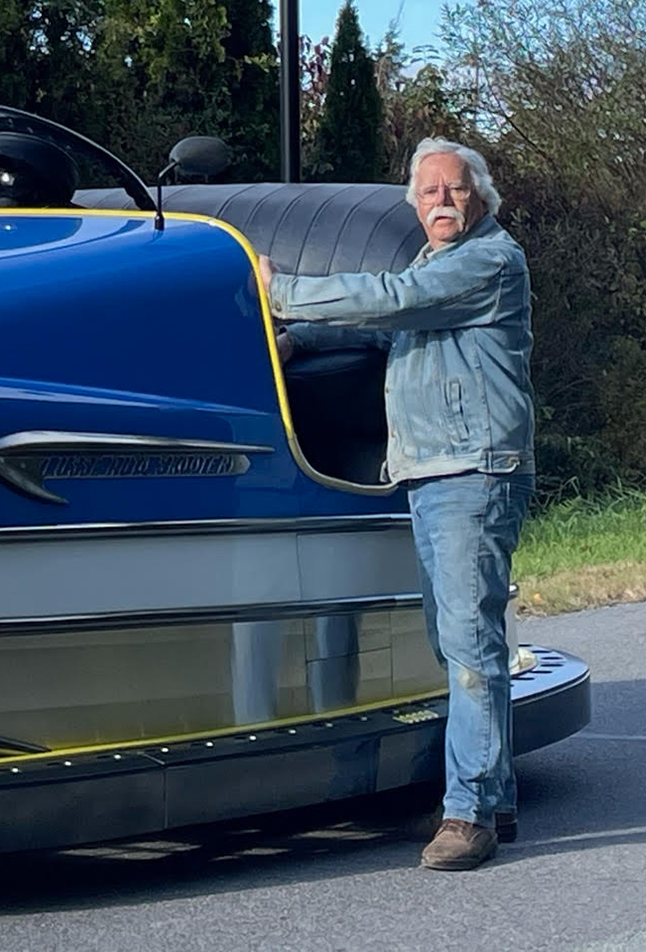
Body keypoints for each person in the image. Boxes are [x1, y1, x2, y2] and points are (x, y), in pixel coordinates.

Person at [257, 137, 536, 872]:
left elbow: (392, 301)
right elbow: (385, 320)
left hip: (471, 470)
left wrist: (278, 291)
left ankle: (468, 812)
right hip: (431, 471)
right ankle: (491, 794)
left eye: (453, 189)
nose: (440, 201)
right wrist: (296, 339)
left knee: (470, 647)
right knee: (457, 644)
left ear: (480, 197)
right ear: (414, 204)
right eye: (428, 191)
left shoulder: (490, 260)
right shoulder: (434, 264)